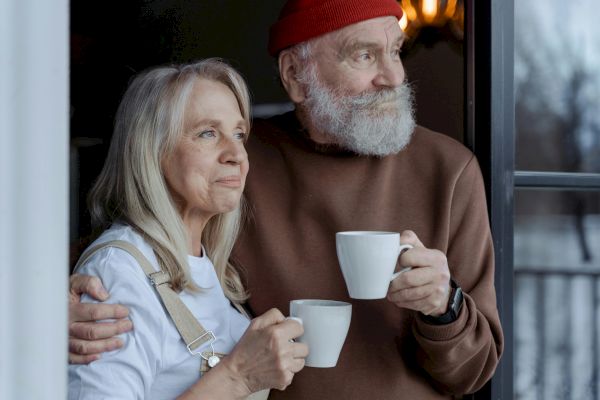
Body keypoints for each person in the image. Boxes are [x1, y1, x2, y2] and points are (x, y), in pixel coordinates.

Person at [69, 1, 504, 399]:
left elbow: (472, 372)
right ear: (296, 75)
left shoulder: (449, 170)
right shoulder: (234, 164)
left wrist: (444, 306)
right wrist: (57, 306)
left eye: (395, 51)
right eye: (365, 55)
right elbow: (130, 248)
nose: (393, 77)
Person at [68, 58, 308, 400]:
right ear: (152, 150)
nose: (236, 154)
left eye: (239, 134)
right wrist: (237, 377)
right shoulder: (118, 275)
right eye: (208, 133)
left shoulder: (205, 264)